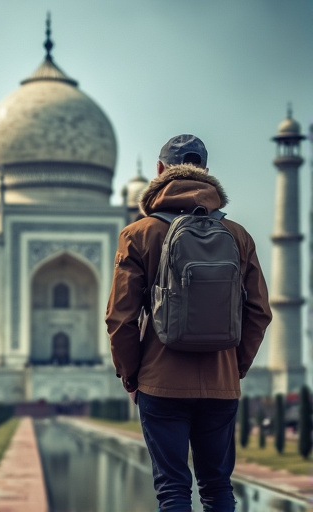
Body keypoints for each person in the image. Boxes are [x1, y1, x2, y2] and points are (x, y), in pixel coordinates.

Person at [105, 134, 272, 512]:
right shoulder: (237, 235)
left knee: (173, 489)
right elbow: (259, 311)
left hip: (159, 383)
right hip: (220, 382)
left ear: (160, 171)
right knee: (217, 486)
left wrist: (131, 376)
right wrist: (233, 367)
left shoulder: (139, 233)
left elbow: (120, 317)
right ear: (206, 174)